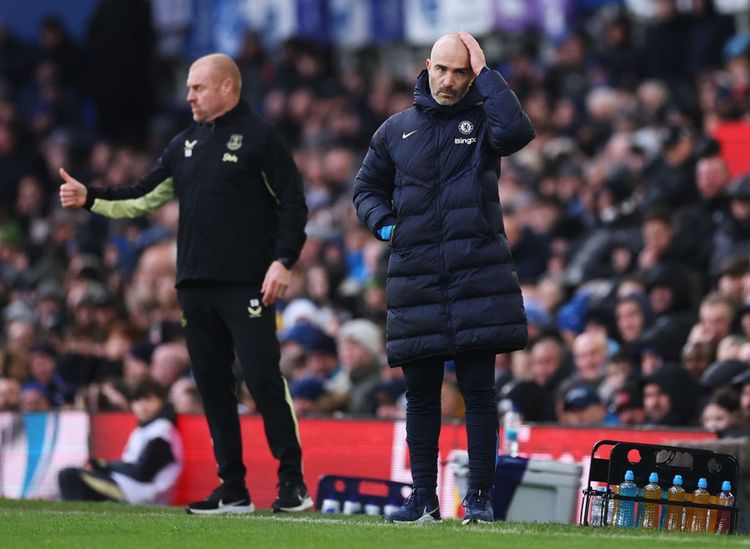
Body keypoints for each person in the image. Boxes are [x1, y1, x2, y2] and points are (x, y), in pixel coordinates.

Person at [58, 53, 312, 514]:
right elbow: (141, 195)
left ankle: (292, 482)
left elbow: (294, 206)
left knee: (261, 378)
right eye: (189, 87)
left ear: (227, 88)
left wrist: (283, 261)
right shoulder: (183, 145)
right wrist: (91, 198)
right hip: (194, 285)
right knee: (213, 387)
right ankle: (233, 489)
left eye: (197, 87)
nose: (188, 95)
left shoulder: (260, 137)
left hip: (249, 284)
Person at [353, 31, 534, 524]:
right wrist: (386, 225)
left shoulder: (485, 119)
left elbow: (517, 134)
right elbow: (366, 188)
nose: (450, 81)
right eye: (443, 70)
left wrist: (488, 70)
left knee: (478, 392)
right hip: (417, 278)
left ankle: (478, 497)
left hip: (477, 275)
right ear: (426, 66)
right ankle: (422, 499)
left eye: (462, 72)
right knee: (421, 397)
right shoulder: (395, 129)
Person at [58, 379, 183, 505]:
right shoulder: (145, 428)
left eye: (149, 399)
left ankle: (71, 520)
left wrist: (105, 465)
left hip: (136, 494)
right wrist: (101, 467)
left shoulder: (162, 431)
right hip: (127, 488)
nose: (143, 405)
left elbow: (142, 473)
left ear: (162, 401)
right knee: (79, 476)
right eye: (138, 401)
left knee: (68, 475)